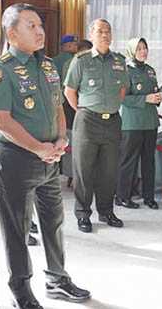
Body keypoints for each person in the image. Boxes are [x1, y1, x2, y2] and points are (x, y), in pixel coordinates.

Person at [0, 4, 91, 309]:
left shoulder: (47, 66)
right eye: (31, 25)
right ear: (11, 32)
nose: (40, 30)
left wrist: (60, 138)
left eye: (40, 24)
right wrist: (38, 148)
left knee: (54, 220)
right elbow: (1, 121)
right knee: (17, 226)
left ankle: (57, 278)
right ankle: (20, 288)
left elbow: (58, 107)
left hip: (49, 158)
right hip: (16, 159)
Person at [64, 19, 128, 233]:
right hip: (87, 121)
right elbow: (69, 91)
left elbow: (122, 91)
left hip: (112, 121)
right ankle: (83, 214)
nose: (105, 35)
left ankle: (106, 211)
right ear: (91, 35)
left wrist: (109, 108)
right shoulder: (80, 60)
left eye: (108, 31)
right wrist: (83, 111)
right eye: (100, 31)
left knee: (109, 171)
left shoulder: (119, 61)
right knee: (84, 171)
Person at [116, 37, 162, 210]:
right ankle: (122, 196)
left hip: (150, 121)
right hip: (132, 123)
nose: (143, 52)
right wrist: (145, 98)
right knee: (129, 162)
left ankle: (149, 197)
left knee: (149, 161)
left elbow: (154, 93)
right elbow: (122, 98)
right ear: (131, 52)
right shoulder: (125, 71)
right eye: (139, 49)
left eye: (145, 48)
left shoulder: (150, 71)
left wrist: (157, 98)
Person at [54, 34, 79, 129]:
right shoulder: (74, 60)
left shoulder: (53, 60)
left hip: (58, 98)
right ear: (67, 45)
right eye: (74, 44)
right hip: (72, 97)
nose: (76, 47)